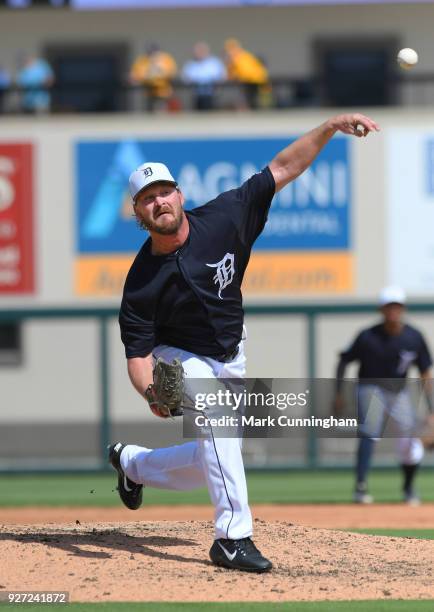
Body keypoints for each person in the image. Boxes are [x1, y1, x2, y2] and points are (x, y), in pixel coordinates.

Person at [108, 112, 379, 572]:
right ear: (137, 212)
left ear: (180, 194)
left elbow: (283, 168)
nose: (159, 202)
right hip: (179, 358)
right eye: (147, 198)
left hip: (232, 353)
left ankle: (131, 463)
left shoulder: (225, 217)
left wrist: (330, 127)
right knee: (218, 421)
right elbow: (137, 356)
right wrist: (151, 391)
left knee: (210, 457)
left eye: (164, 192)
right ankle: (232, 537)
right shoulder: (140, 283)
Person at [335, 286, 433, 505]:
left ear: (403, 309)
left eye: (396, 306)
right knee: (369, 431)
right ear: (382, 309)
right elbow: (344, 360)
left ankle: (408, 487)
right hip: (370, 387)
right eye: (389, 306)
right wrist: (338, 393)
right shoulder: (368, 335)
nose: (393, 311)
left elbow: (425, 372)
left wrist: (431, 408)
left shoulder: (414, 337)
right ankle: (361, 486)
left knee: (410, 437)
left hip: (399, 390)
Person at [129, 43, 177, 112]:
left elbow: (172, 73)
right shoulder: (143, 60)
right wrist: (147, 75)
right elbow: (135, 75)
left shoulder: (166, 59)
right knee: (150, 115)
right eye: (150, 52)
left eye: (154, 52)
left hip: (163, 92)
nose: (152, 55)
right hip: (148, 93)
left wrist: (159, 71)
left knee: (162, 113)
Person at [224, 38, 270, 109]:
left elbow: (245, 71)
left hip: (255, 80)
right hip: (250, 81)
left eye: (232, 49)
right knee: (250, 99)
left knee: (256, 99)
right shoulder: (239, 57)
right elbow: (232, 73)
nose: (230, 52)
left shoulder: (243, 57)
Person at [181, 42, 226, 111]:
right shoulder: (191, 64)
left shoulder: (214, 63)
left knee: (212, 116)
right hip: (196, 96)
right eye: (197, 51)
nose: (199, 53)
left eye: (202, 50)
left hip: (212, 95)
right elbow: (186, 78)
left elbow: (222, 77)